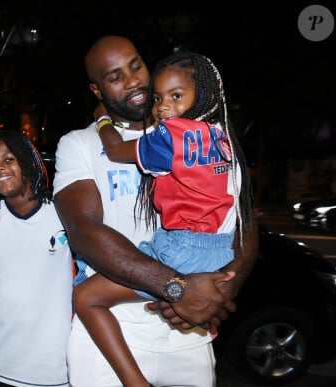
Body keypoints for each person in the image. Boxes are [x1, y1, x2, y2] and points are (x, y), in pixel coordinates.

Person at [53, 35, 258, 386]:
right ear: (97, 90)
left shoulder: (192, 130)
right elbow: (85, 233)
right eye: (115, 76)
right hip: (111, 336)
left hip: (188, 333)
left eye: (136, 66)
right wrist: (177, 288)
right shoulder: (78, 145)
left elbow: (245, 221)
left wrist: (223, 289)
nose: (133, 80)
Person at [0, 131, 73, 386]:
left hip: (52, 367)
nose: (0, 169)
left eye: (9, 159)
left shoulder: (64, 213)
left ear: (28, 162)